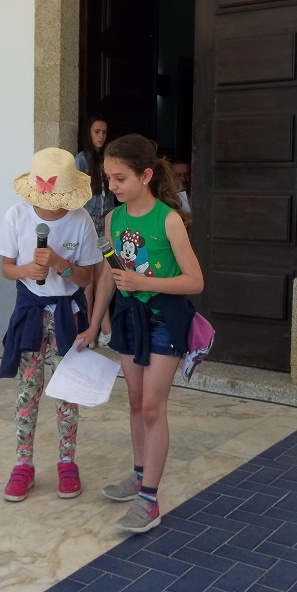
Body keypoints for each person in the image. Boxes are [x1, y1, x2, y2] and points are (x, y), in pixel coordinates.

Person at [75, 134, 204, 533]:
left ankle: (149, 500)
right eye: (108, 178)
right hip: (130, 318)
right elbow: (110, 277)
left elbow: (195, 281)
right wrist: (94, 324)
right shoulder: (113, 219)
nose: (111, 186)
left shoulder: (169, 220)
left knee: (151, 406)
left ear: (145, 176)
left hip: (165, 318)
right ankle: (138, 474)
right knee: (134, 401)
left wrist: (143, 282)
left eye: (120, 178)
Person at [0, 147, 103, 503]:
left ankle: (67, 461)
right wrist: (27, 270)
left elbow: (86, 278)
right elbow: (6, 268)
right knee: (29, 389)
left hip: (67, 315)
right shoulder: (17, 216)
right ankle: (23, 463)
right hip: (31, 312)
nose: (50, 204)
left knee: (67, 391)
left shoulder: (80, 220)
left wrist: (60, 263)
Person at [74, 115, 116, 347]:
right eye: (97, 131)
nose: (101, 136)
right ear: (88, 133)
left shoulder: (107, 159)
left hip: (105, 222)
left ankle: (104, 329)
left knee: (103, 277)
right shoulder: (81, 159)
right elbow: (76, 194)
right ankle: (90, 327)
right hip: (88, 222)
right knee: (89, 280)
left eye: (104, 132)